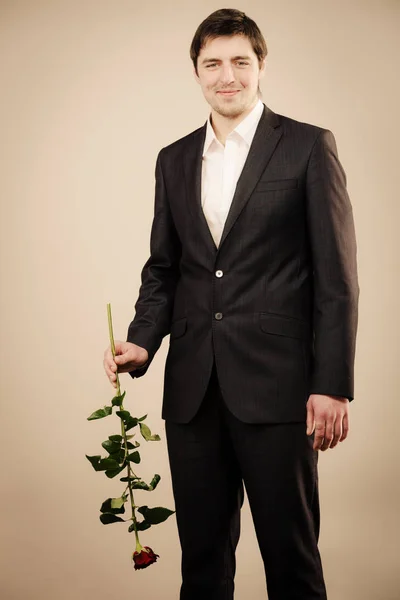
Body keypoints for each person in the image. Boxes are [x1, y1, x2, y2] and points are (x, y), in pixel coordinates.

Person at [103, 8, 359, 600]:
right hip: (193, 392)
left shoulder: (307, 147)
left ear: (261, 66)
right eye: (212, 63)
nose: (228, 76)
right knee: (203, 567)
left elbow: (338, 279)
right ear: (196, 72)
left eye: (240, 62)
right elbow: (165, 270)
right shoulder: (173, 159)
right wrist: (142, 340)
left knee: (292, 563)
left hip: (279, 388)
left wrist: (334, 383)